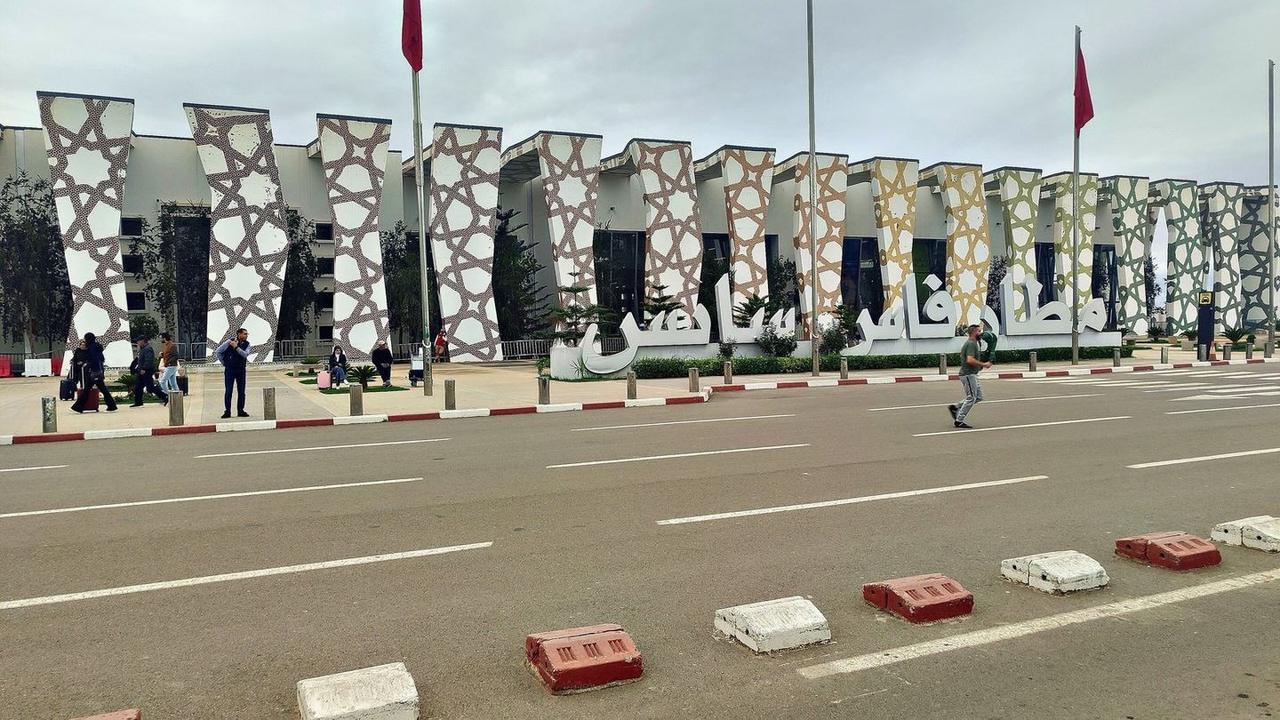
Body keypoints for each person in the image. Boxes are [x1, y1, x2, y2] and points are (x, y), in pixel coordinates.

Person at [949, 324, 991, 429]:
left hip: (972, 374)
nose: (981, 333)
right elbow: (970, 360)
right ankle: (959, 420)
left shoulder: (974, 343)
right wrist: (983, 364)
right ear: (973, 332)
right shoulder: (971, 344)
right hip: (968, 374)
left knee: (978, 397)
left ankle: (956, 407)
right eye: (979, 331)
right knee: (972, 397)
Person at [71, 332, 118, 413]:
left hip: (93, 371)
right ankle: (111, 405)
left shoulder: (92, 347)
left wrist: (89, 365)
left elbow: (93, 359)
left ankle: (78, 406)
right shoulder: (97, 346)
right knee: (102, 389)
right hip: (98, 370)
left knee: (87, 390)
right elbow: (101, 359)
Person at [215, 328, 251, 419]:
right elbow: (218, 351)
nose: (246, 336)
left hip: (241, 370)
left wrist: (236, 347)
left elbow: (245, 354)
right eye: (244, 334)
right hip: (230, 370)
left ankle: (241, 410)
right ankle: (227, 411)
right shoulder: (229, 342)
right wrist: (225, 363)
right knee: (228, 391)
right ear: (239, 334)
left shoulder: (247, 344)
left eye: (247, 334)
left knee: (241, 391)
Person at [129, 336, 168, 407]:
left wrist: (144, 368)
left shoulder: (148, 349)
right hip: (141, 371)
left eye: (138, 341)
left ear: (143, 341)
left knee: (150, 387)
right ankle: (138, 402)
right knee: (138, 387)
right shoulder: (142, 349)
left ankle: (165, 396)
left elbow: (149, 360)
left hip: (146, 371)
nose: (137, 343)